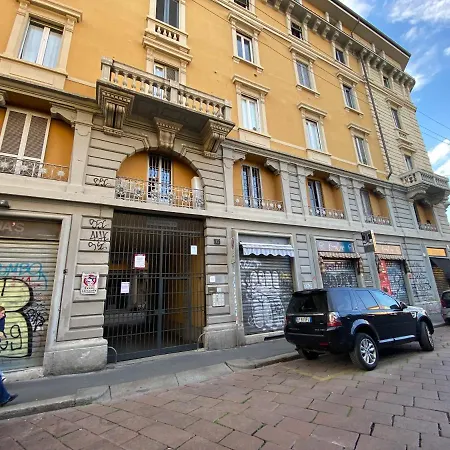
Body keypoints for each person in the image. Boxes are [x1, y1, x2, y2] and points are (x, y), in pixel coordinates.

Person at [0, 306, 6, 382]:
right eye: (2, 313)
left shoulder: (2, 319)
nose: (3, 315)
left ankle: (1, 375)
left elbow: (1, 331)